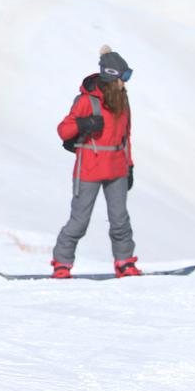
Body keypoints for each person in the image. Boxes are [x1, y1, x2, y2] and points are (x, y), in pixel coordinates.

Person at [50, 45, 140, 279]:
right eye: (125, 76)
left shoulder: (123, 101)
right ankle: (62, 263)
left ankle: (124, 263)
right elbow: (63, 130)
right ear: (113, 76)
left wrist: (129, 167)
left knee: (120, 220)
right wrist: (84, 124)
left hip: (117, 168)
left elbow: (125, 137)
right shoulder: (86, 102)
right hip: (89, 168)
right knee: (79, 221)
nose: (126, 82)